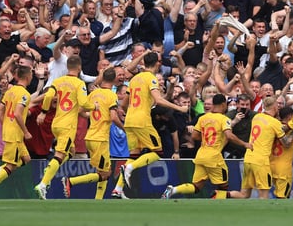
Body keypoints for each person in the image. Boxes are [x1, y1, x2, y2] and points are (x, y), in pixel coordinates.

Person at [112, 51, 187, 198]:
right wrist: (180, 108)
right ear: (158, 63)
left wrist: (131, 111)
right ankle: (129, 168)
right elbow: (158, 100)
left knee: (134, 155)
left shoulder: (134, 79)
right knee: (157, 153)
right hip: (142, 121)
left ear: (144, 63)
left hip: (130, 121)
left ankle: (117, 189)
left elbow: (124, 103)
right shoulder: (150, 78)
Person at [163, 93, 251, 199]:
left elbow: (194, 136)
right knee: (223, 187)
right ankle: (217, 203)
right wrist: (244, 144)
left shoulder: (203, 118)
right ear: (224, 104)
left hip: (201, 155)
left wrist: (207, 138)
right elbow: (229, 135)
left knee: (197, 186)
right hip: (214, 157)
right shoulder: (224, 119)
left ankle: (174, 190)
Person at [35, 54, 95, 199]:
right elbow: (84, 104)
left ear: (68, 67)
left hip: (56, 123)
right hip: (68, 126)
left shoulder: (58, 81)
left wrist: (43, 112)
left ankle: (48, 174)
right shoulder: (79, 83)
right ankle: (43, 184)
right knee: (60, 155)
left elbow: (48, 96)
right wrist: (95, 106)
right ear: (79, 67)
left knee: (70, 152)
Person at [62, 67, 122, 200]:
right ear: (114, 80)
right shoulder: (112, 95)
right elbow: (113, 117)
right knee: (106, 173)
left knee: (102, 171)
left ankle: (98, 199)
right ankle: (71, 182)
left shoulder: (93, 94)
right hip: (100, 139)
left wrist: (92, 116)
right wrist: (124, 128)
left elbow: (80, 111)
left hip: (90, 136)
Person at [0, 66, 33, 199]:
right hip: (15, 135)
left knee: (26, 159)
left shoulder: (10, 91)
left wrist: (8, 125)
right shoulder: (24, 94)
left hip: (10, 132)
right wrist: (26, 132)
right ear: (27, 77)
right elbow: (17, 114)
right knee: (11, 166)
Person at [228, 95, 285, 199]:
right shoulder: (275, 123)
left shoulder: (256, 117)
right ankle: (263, 215)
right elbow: (285, 143)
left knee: (244, 194)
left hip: (249, 158)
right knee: (263, 195)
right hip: (261, 161)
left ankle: (223, 194)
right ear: (275, 107)